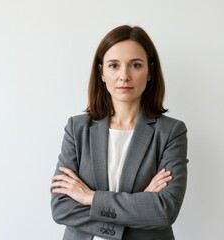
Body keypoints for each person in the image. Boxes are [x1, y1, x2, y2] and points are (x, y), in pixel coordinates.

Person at [50, 25, 188, 240]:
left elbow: (164, 210)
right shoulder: (77, 129)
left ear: (150, 71)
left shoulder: (171, 132)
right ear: (102, 73)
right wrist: (140, 204)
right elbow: (62, 208)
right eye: (114, 65)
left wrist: (90, 197)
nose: (124, 76)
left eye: (135, 65)